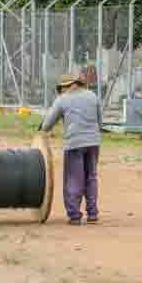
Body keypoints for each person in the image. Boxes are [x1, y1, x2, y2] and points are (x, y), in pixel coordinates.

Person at [41, 74, 103, 225]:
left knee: (74, 178)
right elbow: (100, 121)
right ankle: (92, 214)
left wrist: (42, 130)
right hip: (94, 142)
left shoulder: (62, 99)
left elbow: (47, 125)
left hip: (74, 143)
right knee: (91, 177)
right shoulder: (92, 96)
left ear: (65, 87)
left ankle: (75, 215)